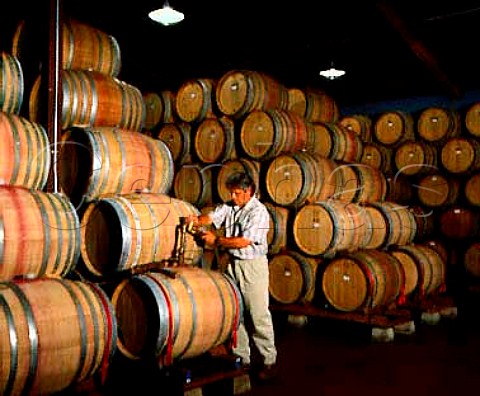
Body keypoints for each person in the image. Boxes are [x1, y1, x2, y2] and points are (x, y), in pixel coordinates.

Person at [186, 171, 277, 381]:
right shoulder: (231, 205)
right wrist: (196, 221)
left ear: (248, 191)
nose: (233, 197)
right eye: (232, 193)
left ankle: (268, 360)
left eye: (237, 193)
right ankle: (241, 356)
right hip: (233, 264)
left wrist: (215, 240)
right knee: (236, 312)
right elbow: (212, 216)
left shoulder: (259, 212)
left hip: (252, 266)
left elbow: (243, 241)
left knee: (258, 314)